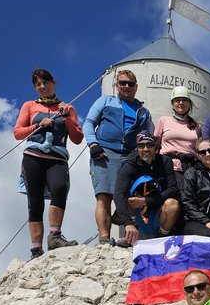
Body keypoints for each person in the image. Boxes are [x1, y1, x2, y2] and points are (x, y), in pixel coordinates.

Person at [13, 68, 83, 259]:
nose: (42, 87)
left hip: (57, 157)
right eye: (38, 84)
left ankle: (55, 237)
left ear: (54, 83)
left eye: (45, 82)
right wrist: (37, 125)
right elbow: (18, 132)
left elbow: (77, 138)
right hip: (33, 156)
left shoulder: (67, 108)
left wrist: (67, 117)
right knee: (34, 201)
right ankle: (36, 249)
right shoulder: (29, 106)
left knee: (59, 189)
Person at [83, 70, 153, 245]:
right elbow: (89, 122)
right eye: (123, 83)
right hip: (106, 151)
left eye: (130, 84)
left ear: (136, 87)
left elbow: (149, 134)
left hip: (131, 155)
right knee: (104, 196)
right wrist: (93, 144)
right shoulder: (105, 101)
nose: (127, 87)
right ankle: (105, 239)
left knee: (133, 196)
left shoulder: (143, 111)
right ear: (116, 85)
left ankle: (126, 235)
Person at [114, 133, 181, 245]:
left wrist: (146, 200)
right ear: (137, 148)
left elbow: (173, 190)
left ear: (155, 148)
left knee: (172, 204)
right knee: (127, 196)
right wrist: (127, 223)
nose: (145, 149)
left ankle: (161, 236)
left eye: (149, 145)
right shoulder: (130, 163)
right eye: (141, 146)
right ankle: (132, 234)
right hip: (137, 209)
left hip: (157, 207)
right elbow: (119, 193)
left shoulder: (165, 161)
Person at [153, 86, 201, 176]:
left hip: (191, 169)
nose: (181, 103)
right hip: (168, 167)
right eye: (177, 100)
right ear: (172, 104)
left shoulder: (196, 126)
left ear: (189, 103)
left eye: (184, 100)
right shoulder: (164, 120)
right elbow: (156, 146)